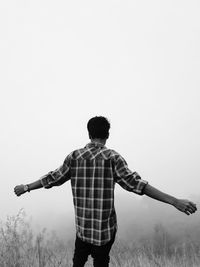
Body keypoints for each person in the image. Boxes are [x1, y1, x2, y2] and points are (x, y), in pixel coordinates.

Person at [14, 116, 197, 267]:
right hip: (104, 231)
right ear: (107, 135)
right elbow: (139, 185)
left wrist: (27, 187)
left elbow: (52, 178)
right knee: (101, 263)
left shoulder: (75, 157)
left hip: (82, 229)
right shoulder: (113, 158)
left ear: (88, 133)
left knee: (78, 262)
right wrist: (174, 201)